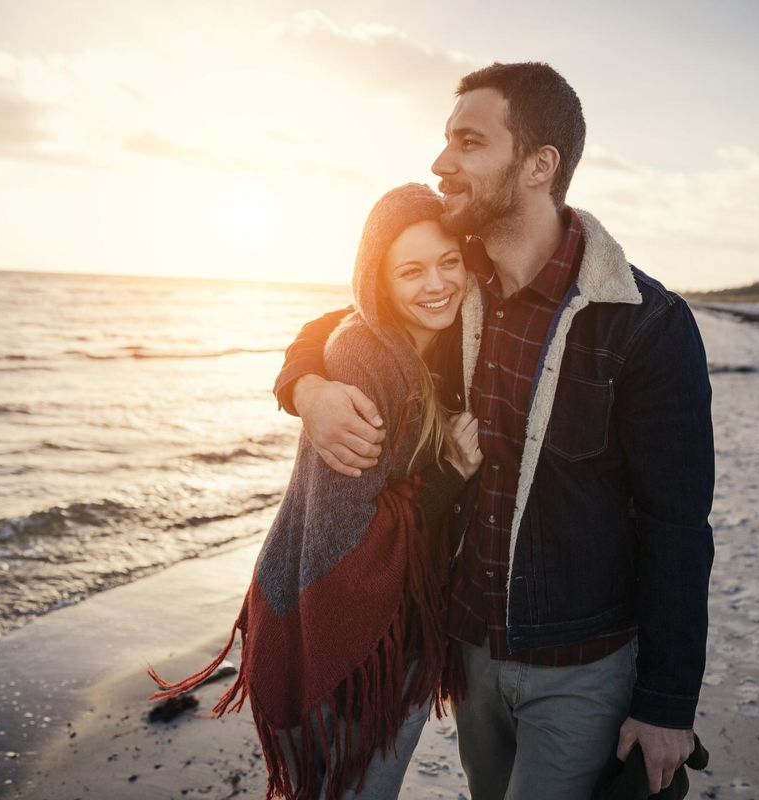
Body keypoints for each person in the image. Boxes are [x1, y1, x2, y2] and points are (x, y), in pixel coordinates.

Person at [273, 62, 715, 799]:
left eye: (468, 143)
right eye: (445, 141)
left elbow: (677, 524)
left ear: (540, 165)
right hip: (470, 659)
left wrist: (668, 704)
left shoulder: (646, 323)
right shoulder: (457, 285)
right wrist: (307, 387)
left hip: (581, 668)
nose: (442, 163)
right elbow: (350, 319)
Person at [149, 183, 484, 799]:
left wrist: (301, 383)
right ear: (377, 279)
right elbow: (351, 536)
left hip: (388, 625)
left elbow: (320, 324)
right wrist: (451, 473)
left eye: (448, 262)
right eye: (410, 270)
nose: (436, 284)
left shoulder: (454, 337)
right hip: (346, 639)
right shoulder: (366, 355)